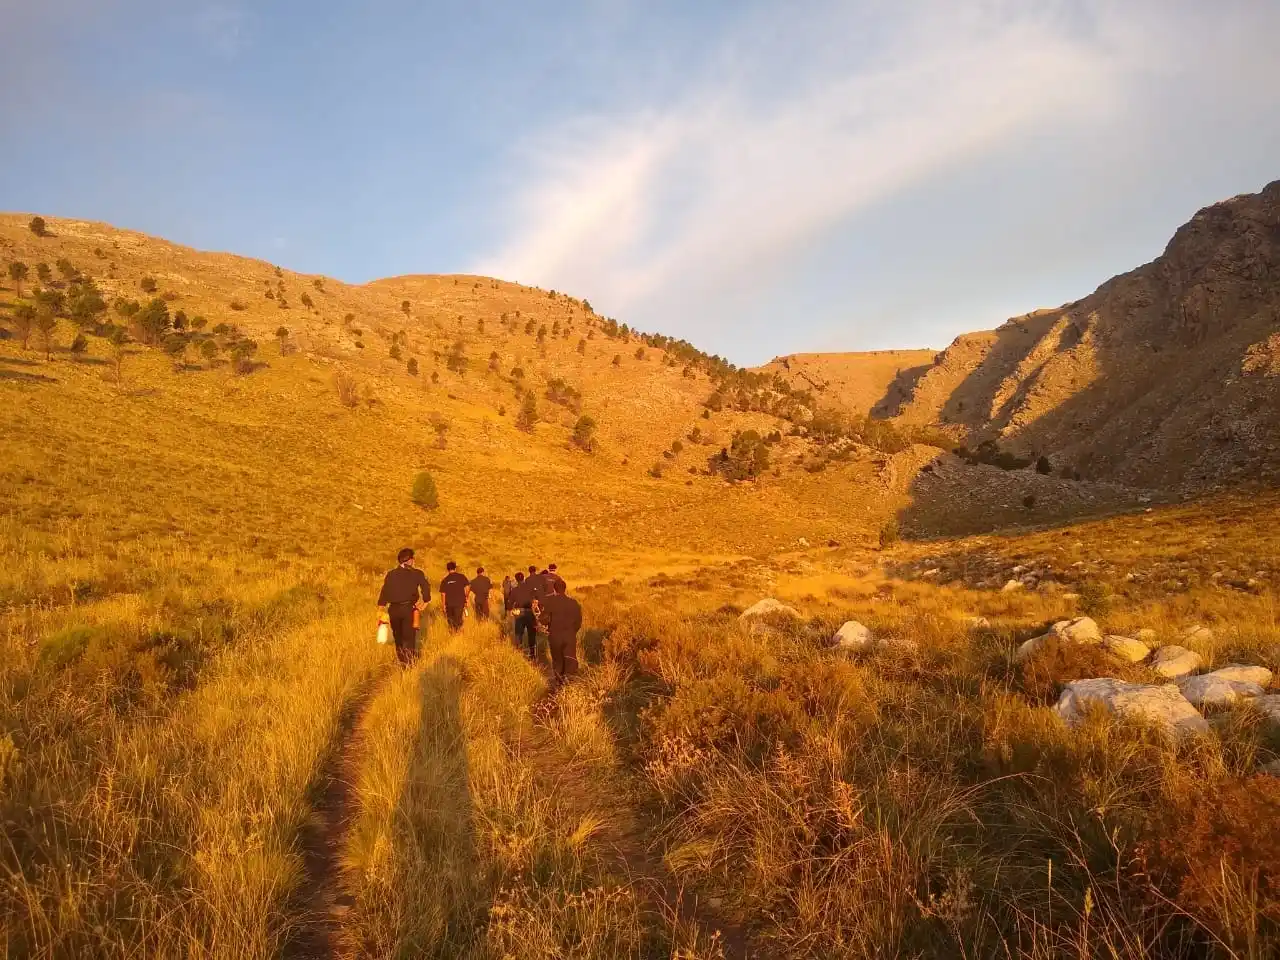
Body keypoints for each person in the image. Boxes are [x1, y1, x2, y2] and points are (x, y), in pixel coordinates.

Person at [377, 548, 431, 666]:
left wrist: (381, 609)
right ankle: (409, 664)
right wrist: (425, 602)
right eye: (413, 559)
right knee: (409, 638)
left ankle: (402, 661)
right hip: (408, 609)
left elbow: (384, 592)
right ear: (410, 560)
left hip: (393, 610)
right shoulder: (416, 573)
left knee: (398, 637)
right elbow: (425, 587)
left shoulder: (391, 574)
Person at [538, 578, 582, 685]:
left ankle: (559, 683)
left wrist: (545, 625)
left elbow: (543, 619)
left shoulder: (550, 602)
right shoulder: (573, 603)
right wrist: (572, 631)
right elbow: (578, 621)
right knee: (570, 659)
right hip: (569, 635)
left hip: (555, 635)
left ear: (554, 589)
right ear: (565, 589)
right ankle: (570, 683)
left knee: (557, 659)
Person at [507, 571, 537, 658]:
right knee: (532, 633)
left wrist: (511, 610)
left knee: (518, 633)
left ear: (516, 580)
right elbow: (536, 598)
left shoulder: (514, 590)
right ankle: (532, 653)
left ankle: (519, 652)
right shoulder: (530, 588)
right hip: (529, 612)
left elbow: (509, 604)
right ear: (523, 578)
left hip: (519, 612)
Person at [439, 561, 470, 632]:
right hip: (460, 603)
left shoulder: (445, 580)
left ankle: (453, 634)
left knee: (450, 621)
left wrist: (443, 605)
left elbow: (443, 594)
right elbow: (467, 587)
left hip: (449, 603)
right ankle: (458, 634)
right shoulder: (462, 577)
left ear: (447, 569)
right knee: (458, 619)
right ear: (455, 568)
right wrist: (466, 597)